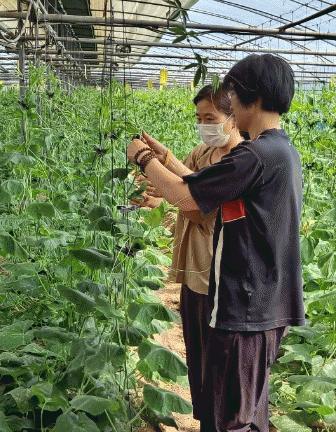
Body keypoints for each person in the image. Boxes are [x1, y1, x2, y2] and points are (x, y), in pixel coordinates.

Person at [127, 54, 305, 432]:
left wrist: (142, 158)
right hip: (264, 305)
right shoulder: (281, 152)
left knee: (232, 419)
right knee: (238, 410)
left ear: (252, 97)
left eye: (233, 96)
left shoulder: (255, 156)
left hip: (246, 306)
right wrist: (166, 161)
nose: (231, 105)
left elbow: (184, 197)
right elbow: (199, 189)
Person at [133, 85, 243, 423]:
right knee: (198, 357)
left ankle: (223, 421)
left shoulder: (241, 162)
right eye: (199, 118)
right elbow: (188, 188)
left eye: (211, 118)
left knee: (219, 362)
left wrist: (151, 163)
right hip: (194, 272)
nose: (204, 125)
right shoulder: (201, 153)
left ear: (234, 117)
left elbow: (197, 207)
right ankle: (208, 419)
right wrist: (163, 176)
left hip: (219, 276)